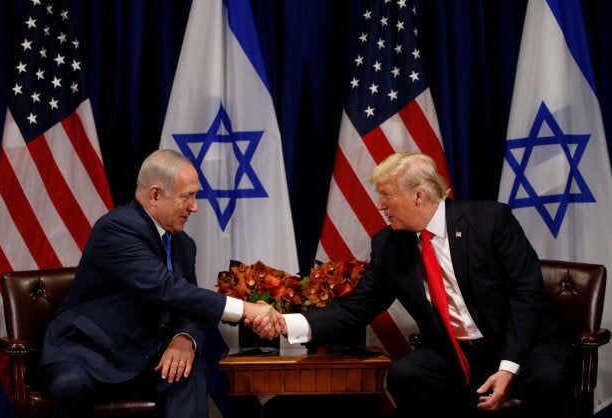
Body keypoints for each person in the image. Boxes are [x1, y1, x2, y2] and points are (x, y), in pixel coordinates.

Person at [266, 151, 574, 417]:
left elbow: (527, 296)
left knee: (548, 378)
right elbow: (356, 310)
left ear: (419, 195)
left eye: (386, 194)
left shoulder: (490, 220)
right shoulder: (388, 245)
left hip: (522, 345)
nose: (380, 204)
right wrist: (285, 323)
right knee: (405, 374)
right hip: (456, 354)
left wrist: (507, 367)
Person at [40, 149, 284, 418]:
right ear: (155, 194)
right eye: (187, 196)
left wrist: (185, 338)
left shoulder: (183, 244)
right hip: (86, 353)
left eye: (195, 195)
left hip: (143, 357)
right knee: (69, 386)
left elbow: (188, 305)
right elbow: (166, 288)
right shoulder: (117, 228)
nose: (195, 206)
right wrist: (245, 309)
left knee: (189, 372)